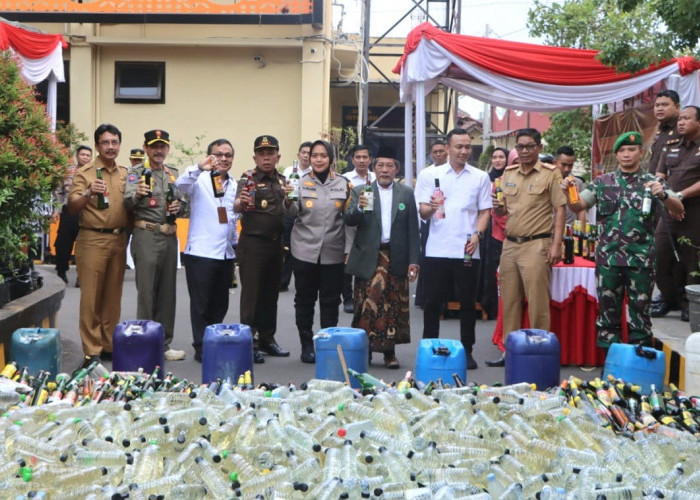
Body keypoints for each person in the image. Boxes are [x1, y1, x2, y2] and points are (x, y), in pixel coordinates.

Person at [562, 132, 683, 347]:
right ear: (617, 155)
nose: (626, 154)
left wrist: (663, 195)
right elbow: (578, 205)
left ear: (641, 153)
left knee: (640, 318)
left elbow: (678, 207)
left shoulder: (652, 182)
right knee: (608, 317)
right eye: (622, 150)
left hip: (641, 261)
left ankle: (640, 365)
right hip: (608, 260)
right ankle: (611, 368)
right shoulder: (602, 182)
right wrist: (568, 192)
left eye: (631, 150)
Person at [487, 128, 566, 367]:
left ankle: (539, 351)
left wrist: (557, 244)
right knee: (509, 301)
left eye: (529, 146)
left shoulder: (551, 174)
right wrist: (498, 208)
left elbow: (560, 209)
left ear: (539, 148)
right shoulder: (508, 174)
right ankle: (510, 351)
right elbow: (502, 210)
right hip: (510, 244)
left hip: (537, 243)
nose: (524, 151)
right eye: (520, 147)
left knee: (537, 302)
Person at [417, 128, 492, 370]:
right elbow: (423, 212)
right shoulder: (430, 175)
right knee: (432, 302)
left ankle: (467, 350)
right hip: (437, 248)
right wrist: (431, 205)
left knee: (468, 302)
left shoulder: (480, 176)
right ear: (447, 148)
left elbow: (484, 211)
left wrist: (478, 234)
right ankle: (429, 347)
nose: (464, 151)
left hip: (467, 249)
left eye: (468, 146)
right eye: (459, 146)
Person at [345, 147, 420, 368]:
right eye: (380, 166)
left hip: (395, 255)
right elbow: (349, 220)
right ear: (373, 168)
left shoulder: (405, 193)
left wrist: (414, 261)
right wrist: (358, 208)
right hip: (369, 256)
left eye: (389, 166)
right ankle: (365, 350)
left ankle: (389, 352)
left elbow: (412, 229)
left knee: (392, 305)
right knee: (366, 303)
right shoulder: (361, 191)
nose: (385, 170)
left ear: (396, 169)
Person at [67, 124, 128, 368]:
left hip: (119, 239)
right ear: (97, 146)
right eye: (105, 142)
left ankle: (109, 345)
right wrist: (89, 192)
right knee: (91, 297)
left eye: (114, 142)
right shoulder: (85, 172)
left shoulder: (126, 173)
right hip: (92, 239)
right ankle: (92, 351)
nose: (111, 146)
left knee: (113, 297)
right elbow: (72, 207)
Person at [124, 129, 186, 361]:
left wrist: (179, 207)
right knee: (147, 292)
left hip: (169, 237)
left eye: (162, 146)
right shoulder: (136, 173)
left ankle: (164, 344)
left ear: (168, 148)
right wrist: (138, 194)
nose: (159, 151)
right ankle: (144, 343)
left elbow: (185, 205)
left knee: (167, 293)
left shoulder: (173, 174)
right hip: (146, 235)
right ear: (146, 148)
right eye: (154, 146)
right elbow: (127, 204)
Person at [175, 139, 238, 363]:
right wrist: (199, 167)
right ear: (209, 156)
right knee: (201, 304)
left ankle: (213, 341)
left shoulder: (234, 184)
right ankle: (201, 346)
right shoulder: (198, 179)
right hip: (201, 252)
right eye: (218, 154)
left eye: (228, 155)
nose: (223, 159)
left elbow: (231, 217)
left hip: (225, 253)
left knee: (220, 303)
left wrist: (235, 244)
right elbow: (179, 185)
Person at [234, 135, 295, 363]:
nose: (266, 157)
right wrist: (241, 201)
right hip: (253, 245)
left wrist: (290, 199)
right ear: (255, 157)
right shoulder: (247, 179)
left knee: (271, 295)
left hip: (276, 244)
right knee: (251, 296)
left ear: (278, 156)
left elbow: (291, 213)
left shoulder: (283, 180)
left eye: (271, 153)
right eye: (262, 153)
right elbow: (237, 206)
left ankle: (267, 339)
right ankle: (248, 342)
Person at [291, 139, 351, 363]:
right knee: (304, 300)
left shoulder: (343, 184)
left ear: (331, 159)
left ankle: (325, 343)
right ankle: (306, 344)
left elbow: (349, 221)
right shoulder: (300, 182)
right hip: (304, 250)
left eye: (323, 155)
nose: (318, 159)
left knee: (330, 300)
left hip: (333, 251)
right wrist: (288, 200)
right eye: (314, 155)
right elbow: (292, 213)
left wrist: (348, 249)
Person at [654, 105, 700, 323]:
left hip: (694, 211)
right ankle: (668, 298)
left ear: (698, 122)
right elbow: (660, 174)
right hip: (669, 208)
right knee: (660, 253)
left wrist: (679, 197)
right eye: (680, 118)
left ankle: (688, 304)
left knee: (691, 259)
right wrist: (670, 199)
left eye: (686, 119)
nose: (681, 122)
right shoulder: (671, 146)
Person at [648, 90, 683, 317]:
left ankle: (675, 298)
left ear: (677, 107)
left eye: (665, 104)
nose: (659, 108)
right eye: (657, 104)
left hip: (671, 199)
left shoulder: (680, 132)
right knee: (659, 251)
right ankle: (669, 296)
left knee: (671, 252)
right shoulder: (660, 132)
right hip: (653, 197)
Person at [414, 139, 448, 308]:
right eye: (435, 152)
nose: (438, 154)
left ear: (447, 151)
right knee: (428, 261)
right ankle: (426, 298)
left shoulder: (454, 171)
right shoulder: (426, 173)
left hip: (450, 222)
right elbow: (418, 197)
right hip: (430, 218)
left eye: (441, 151)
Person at [342, 145, 376, 313]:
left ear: (370, 159)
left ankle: (365, 297)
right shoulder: (345, 179)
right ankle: (348, 299)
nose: (361, 160)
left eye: (365, 157)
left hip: (370, 224)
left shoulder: (377, 177)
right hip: (350, 224)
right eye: (358, 157)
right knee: (347, 261)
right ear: (352, 159)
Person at [54, 145, 92, 286]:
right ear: (77, 156)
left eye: (88, 155)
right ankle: (61, 272)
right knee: (63, 243)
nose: (85, 157)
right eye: (82, 154)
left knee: (85, 245)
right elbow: (59, 192)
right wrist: (56, 210)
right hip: (69, 211)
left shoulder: (95, 172)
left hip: (87, 212)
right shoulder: (67, 171)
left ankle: (81, 276)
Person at [479, 146, 509, 320]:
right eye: (495, 157)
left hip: (504, 226)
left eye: (501, 157)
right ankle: (489, 305)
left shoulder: (511, 178)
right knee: (489, 268)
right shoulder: (486, 179)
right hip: (488, 226)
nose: (498, 160)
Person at [279, 141, 313, 292]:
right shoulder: (288, 171)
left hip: (306, 212)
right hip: (288, 212)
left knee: (302, 247)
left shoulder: (314, 173)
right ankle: (283, 281)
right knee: (286, 247)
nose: (306, 156)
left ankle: (304, 281)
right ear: (298, 155)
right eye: (304, 152)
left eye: (309, 153)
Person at [554, 146, 586, 227]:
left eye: (570, 165)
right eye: (563, 164)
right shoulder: (548, 181)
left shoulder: (577, 183)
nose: (567, 169)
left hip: (570, 232)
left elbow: (581, 210)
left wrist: (581, 234)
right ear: (555, 162)